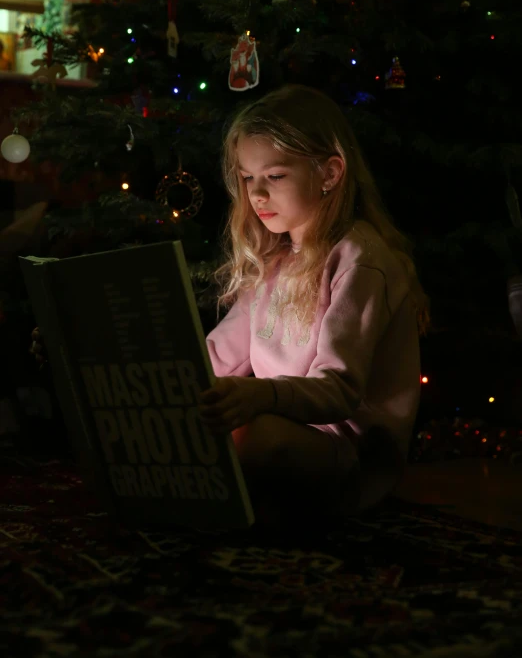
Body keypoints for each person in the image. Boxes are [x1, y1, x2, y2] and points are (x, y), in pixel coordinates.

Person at [31, 84, 430, 528]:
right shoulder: (275, 260)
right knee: (182, 420)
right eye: (246, 178)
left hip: (348, 456)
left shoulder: (360, 260)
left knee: (248, 434)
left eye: (275, 176)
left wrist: (259, 394)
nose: (256, 194)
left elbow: (338, 392)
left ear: (330, 173)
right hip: (287, 434)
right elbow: (214, 359)